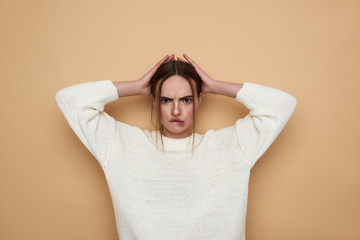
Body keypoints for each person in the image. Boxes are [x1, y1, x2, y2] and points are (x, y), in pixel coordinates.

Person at [55, 53, 297, 240]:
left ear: (200, 100)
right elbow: (69, 100)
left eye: (187, 99)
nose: (176, 111)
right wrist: (136, 86)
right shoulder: (122, 145)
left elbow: (282, 105)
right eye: (165, 99)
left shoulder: (232, 146)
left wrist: (213, 85)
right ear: (154, 101)